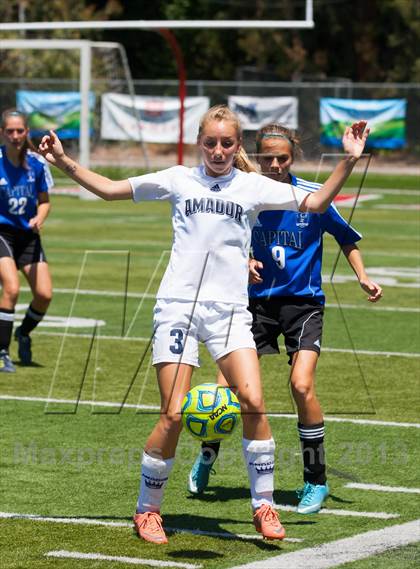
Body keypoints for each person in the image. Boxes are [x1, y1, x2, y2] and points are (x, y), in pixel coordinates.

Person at [38, 105, 369, 544]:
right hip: (177, 307)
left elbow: (316, 203)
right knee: (173, 414)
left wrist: (348, 158)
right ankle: (147, 511)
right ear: (199, 142)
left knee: (252, 401)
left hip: (231, 311)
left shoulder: (252, 186)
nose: (218, 150)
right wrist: (64, 162)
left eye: (227, 143)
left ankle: (263, 506)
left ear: (236, 146)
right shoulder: (178, 178)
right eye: (210, 142)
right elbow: (109, 189)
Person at [188, 122, 382, 514]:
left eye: (283, 158)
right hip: (252, 304)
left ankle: (316, 480)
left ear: (294, 158)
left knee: (302, 385)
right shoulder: (245, 195)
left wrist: (362, 275)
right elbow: (218, 237)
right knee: (226, 390)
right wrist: (243, 260)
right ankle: (207, 457)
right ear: (258, 157)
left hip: (303, 305)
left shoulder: (311, 197)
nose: (275, 164)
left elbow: (347, 238)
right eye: (269, 158)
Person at [0, 108, 54, 371]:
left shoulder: (36, 163)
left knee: (44, 295)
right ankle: (1, 352)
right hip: (2, 234)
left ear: (26, 132)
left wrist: (40, 218)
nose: (15, 135)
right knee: (10, 288)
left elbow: (44, 202)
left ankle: (23, 333)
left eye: (19, 130)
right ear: (2, 133)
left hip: (28, 236)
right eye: (9, 131)